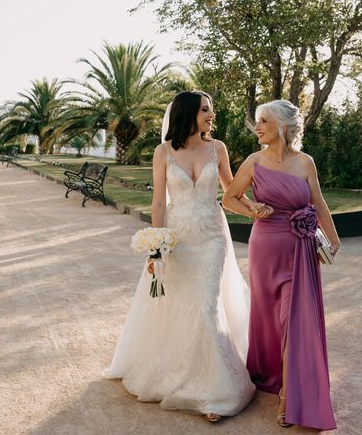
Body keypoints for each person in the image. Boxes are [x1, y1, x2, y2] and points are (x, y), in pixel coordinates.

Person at [104, 91, 264, 421]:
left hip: (212, 237)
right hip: (178, 239)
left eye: (211, 109)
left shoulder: (217, 148)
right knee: (179, 305)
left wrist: (255, 210)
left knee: (207, 304)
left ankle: (218, 392)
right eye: (206, 109)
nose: (211, 114)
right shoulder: (163, 152)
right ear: (189, 112)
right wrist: (156, 246)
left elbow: (232, 189)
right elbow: (159, 203)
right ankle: (179, 375)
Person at [222, 100, 339, 430]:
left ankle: (289, 393)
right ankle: (272, 374)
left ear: (284, 127)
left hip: (300, 250)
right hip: (265, 250)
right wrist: (254, 210)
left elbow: (320, 204)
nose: (257, 127)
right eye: (258, 121)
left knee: (294, 320)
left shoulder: (306, 162)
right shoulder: (253, 161)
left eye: (264, 121)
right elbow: (229, 197)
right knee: (270, 317)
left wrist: (333, 238)